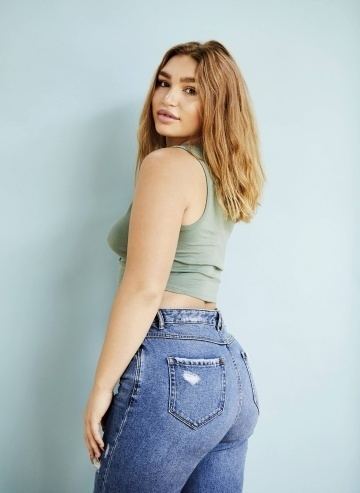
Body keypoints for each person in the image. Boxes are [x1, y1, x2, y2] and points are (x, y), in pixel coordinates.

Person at [83, 39, 266, 492]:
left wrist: (101, 387)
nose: (167, 99)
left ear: (217, 103)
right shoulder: (221, 172)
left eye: (191, 90)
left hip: (173, 364)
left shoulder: (167, 165)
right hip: (228, 369)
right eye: (164, 84)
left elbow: (145, 287)